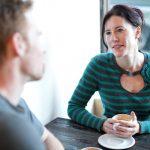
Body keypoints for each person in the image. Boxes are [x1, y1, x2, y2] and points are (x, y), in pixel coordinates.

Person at [68, 4, 150, 138]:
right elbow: (74, 107)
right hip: (111, 140)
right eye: (108, 32)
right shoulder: (99, 65)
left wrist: (141, 127)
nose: (113, 39)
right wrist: (101, 124)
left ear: (137, 32)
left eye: (119, 30)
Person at [0, 0, 64, 150]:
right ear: (19, 44)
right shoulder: (13, 130)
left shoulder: (17, 104)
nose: (43, 50)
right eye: (37, 35)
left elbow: (50, 141)